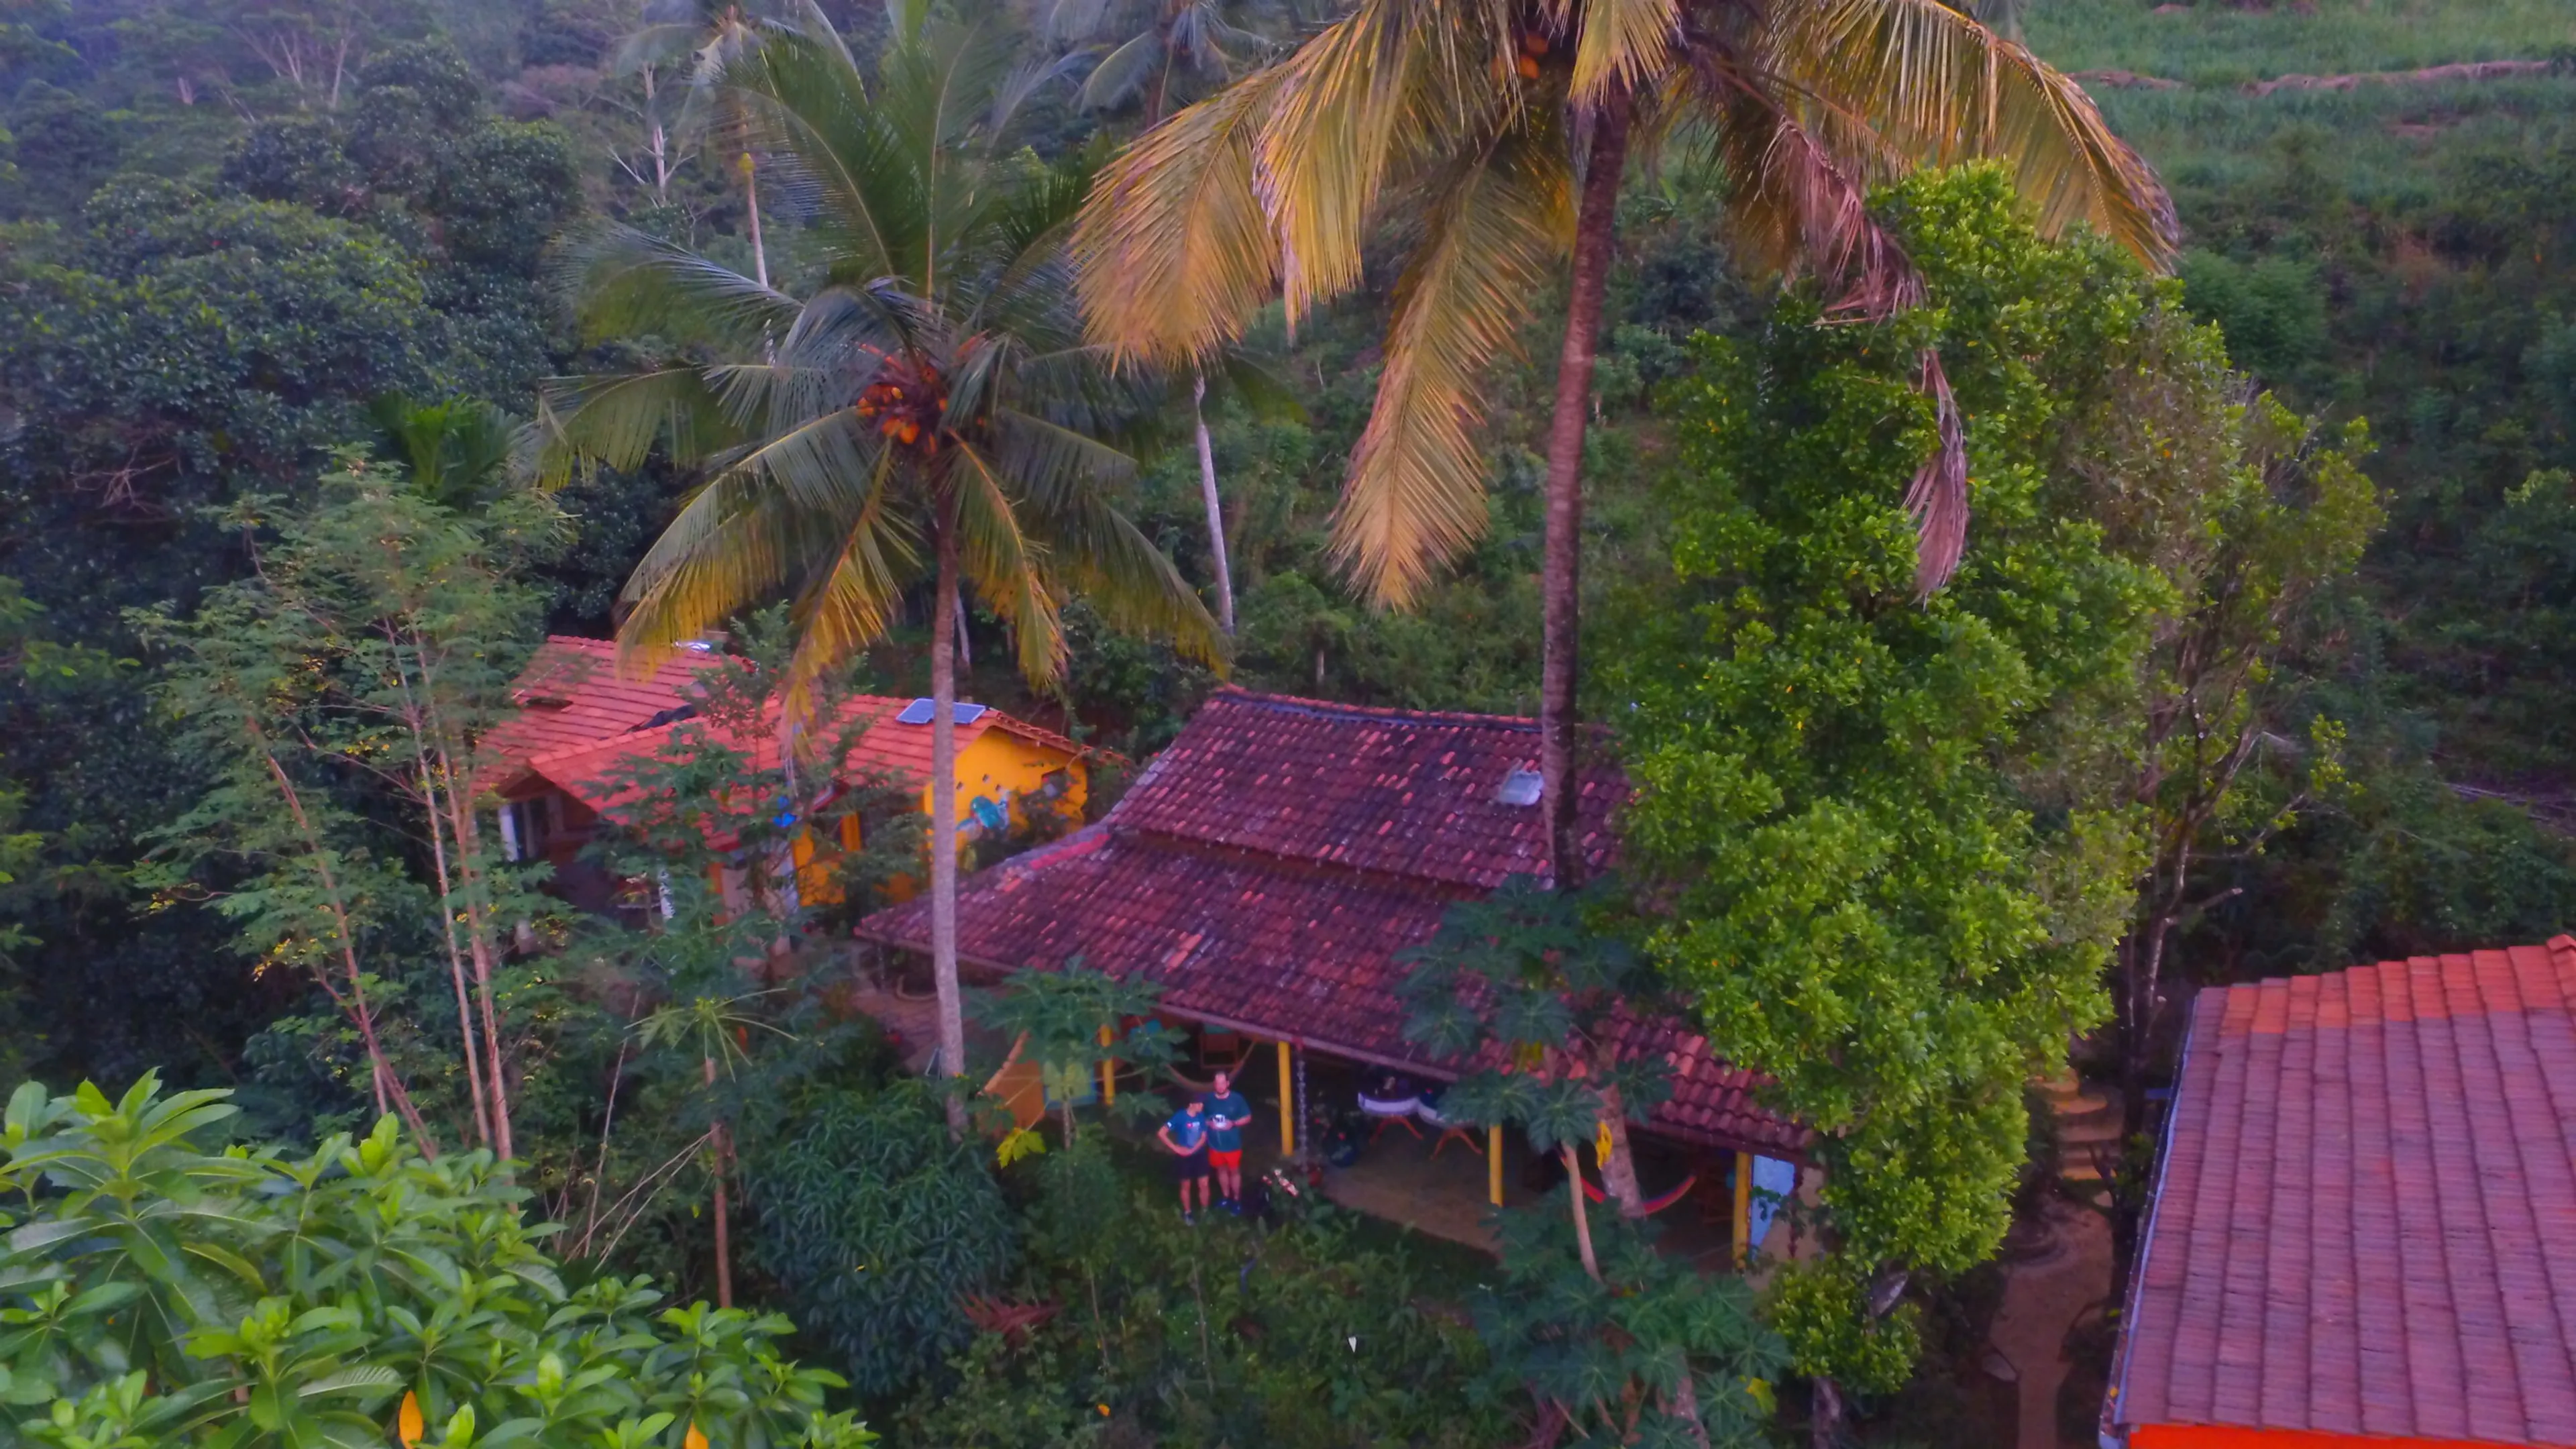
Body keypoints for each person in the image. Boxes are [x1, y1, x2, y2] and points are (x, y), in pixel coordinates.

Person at [1199, 1069, 1255, 1212]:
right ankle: (1225, 1197)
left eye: (1223, 1083)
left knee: (1234, 1172)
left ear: (1228, 1084)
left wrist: (1234, 1124)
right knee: (1221, 1171)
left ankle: (1236, 1200)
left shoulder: (1237, 1099)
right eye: (1217, 1083)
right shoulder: (1209, 1099)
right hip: (1215, 1145)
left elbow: (1248, 1118)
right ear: (1214, 1084)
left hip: (1232, 1145)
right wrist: (1208, 1123)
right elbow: (1201, 1116)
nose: (1220, 1086)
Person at [1157, 1094, 1212, 1224]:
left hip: (1199, 1155)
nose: (1202, 1106)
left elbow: (1203, 1137)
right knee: (1186, 1185)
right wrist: (1176, 1148)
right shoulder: (1180, 1116)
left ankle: (1205, 1211)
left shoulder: (1201, 1116)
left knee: (1204, 1183)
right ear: (1191, 1104)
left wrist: (1193, 1150)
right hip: (1184, 1157)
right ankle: (1187, 1213)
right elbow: (1161, 1133)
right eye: (1199, 1104)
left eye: (1202, 1104)